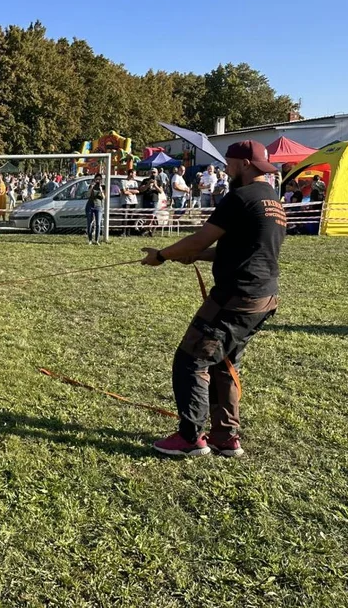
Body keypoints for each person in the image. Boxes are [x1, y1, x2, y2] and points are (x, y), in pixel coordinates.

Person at [141, 140, 286, 458]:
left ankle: (190, 437)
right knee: (223, 363)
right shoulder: (271, 199)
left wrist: (163, 255)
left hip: (235, 297)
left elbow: (203, 235)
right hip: (264, 297)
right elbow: (243, 250)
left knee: (191, 359)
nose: (225, 168)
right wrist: (198, 256)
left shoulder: (241, 196)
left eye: (229, 163)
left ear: (244, 164)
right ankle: (225, 437)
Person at [85, 174, 106, 245]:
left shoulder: (103, 186)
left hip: (98, 206)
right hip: (90, 205)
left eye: (99, 179)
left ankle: (96, 240)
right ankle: (90, 239)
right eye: (96, 179)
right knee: (89, 223)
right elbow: (87, 195)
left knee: (98, 224)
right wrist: (91, 187)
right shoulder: (91, 186)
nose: (98, 180)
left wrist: (101, 190)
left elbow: (104, 197)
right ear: (94, 179)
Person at [121, 170, 140, 236]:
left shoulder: (135, 182)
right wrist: (132, 191)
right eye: (134, 173)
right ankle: (123, 232)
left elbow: (137, 191)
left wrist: (129, 190)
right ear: (130, 174)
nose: (135, 175)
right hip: (126, 201)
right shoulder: (123, 181)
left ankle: (129, 232)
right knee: (125, 217)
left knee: (131, 217)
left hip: (133, 201)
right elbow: (124, 192)